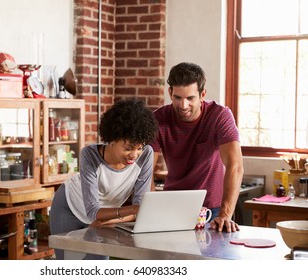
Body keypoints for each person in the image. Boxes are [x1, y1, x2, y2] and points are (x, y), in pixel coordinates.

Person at [49, 98, 158, 259]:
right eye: (128, 148)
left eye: (139, 148)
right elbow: (93, 211)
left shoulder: (146, 155)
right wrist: (134, 210)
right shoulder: (90, 155)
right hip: (69, 207)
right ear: (113, 139)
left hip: (107, 215)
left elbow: (139, 206)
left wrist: (114, 219)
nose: (134, 155)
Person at [150, 62, 244, 233]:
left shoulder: (219, 116)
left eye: (190, 98)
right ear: (170, 92)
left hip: (213, 210)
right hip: (172, 207)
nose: (183, 105)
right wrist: (152, 209)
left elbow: (235, 166)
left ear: (202, 94)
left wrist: (225, 214)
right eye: (178, 98)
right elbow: (145, 171)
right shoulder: (157, 119)